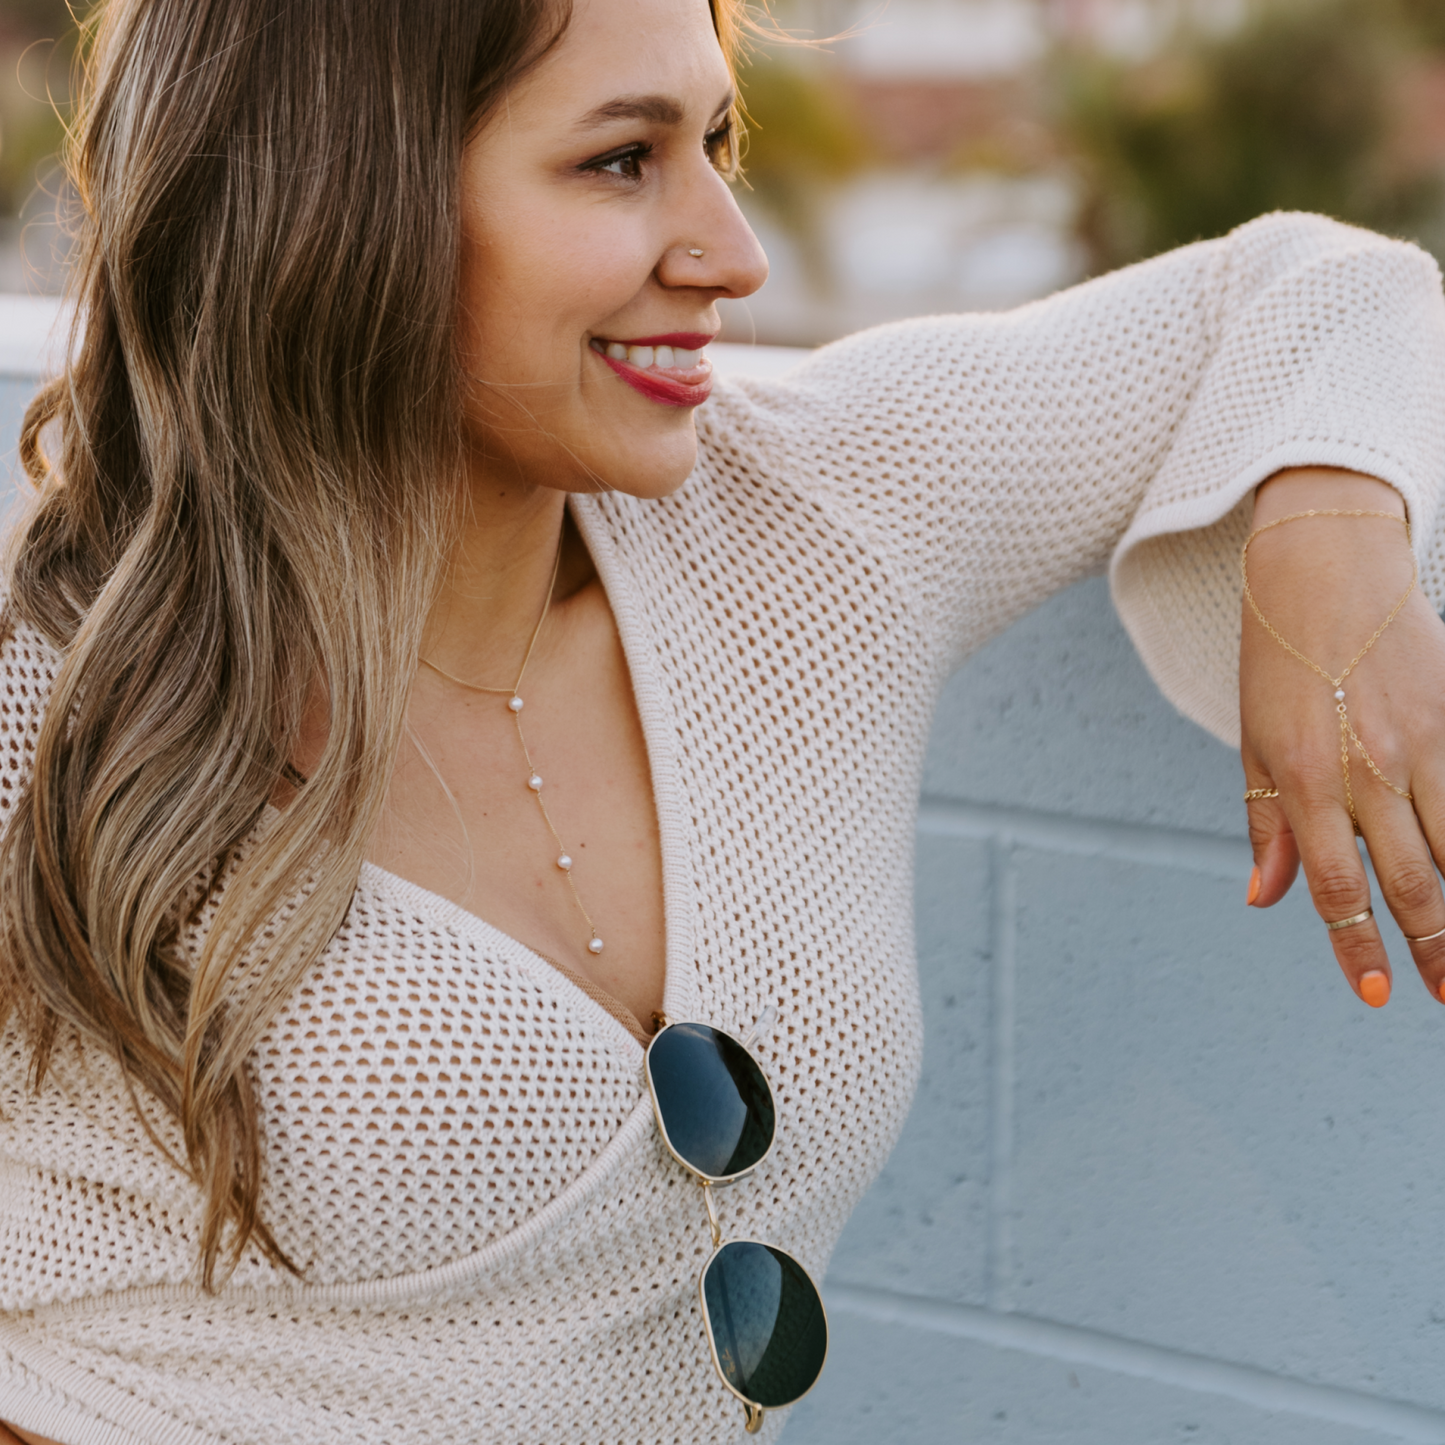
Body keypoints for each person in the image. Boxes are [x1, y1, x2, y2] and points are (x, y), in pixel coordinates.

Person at [1, 0, 1444, 1441]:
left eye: (718, 139)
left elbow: (1311, 283)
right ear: (336, 199)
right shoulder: (47, 712)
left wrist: (1329, 516)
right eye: (622, 161)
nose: (733, 254)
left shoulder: (814, 518)